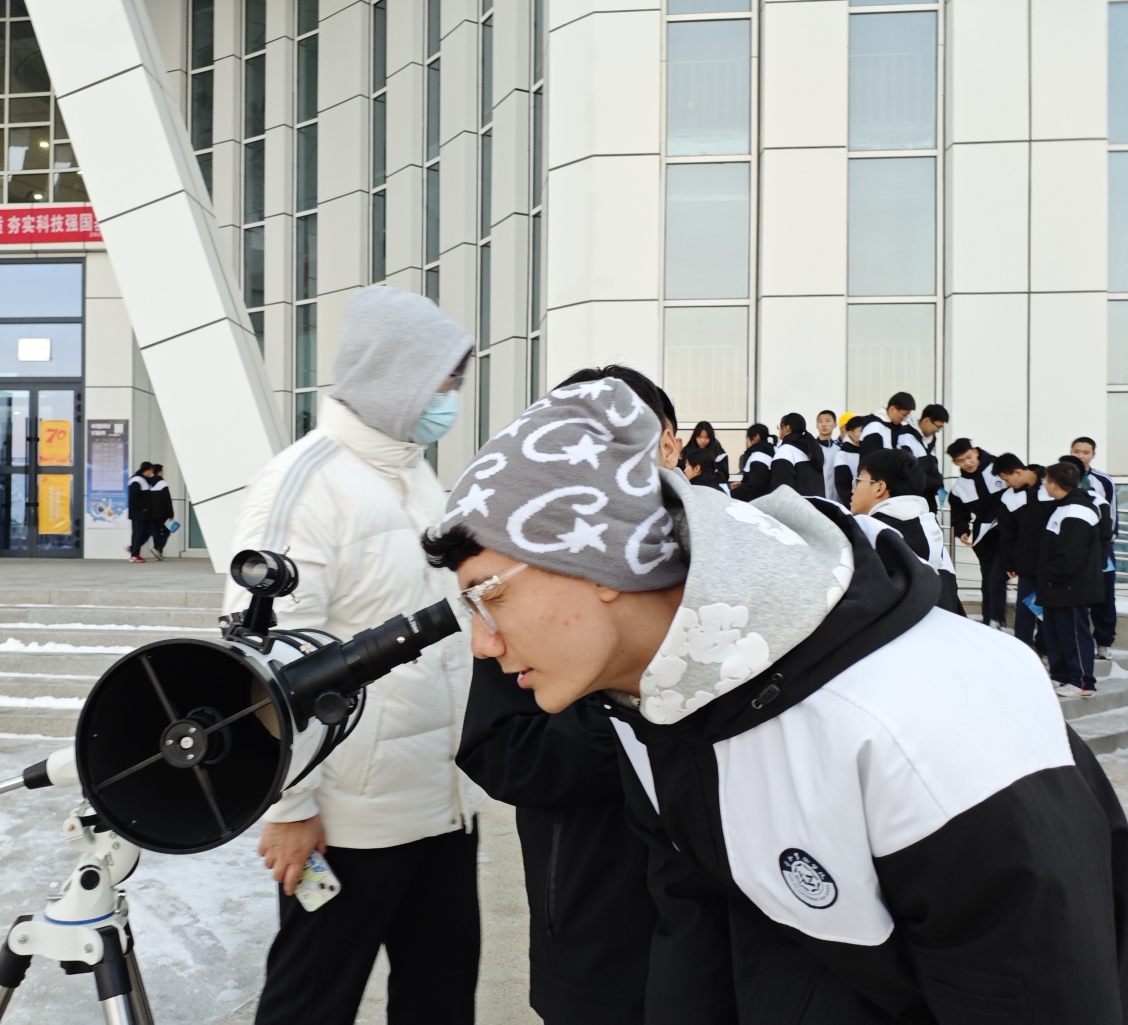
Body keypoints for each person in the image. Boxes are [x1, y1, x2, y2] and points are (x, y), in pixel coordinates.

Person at [423, 378, 1128, 1025]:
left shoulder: (921, 715)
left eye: (489, 595)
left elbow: (1038, 987)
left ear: (599, 558)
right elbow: (699, 941)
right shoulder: (654, 706)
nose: (482, 644)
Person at [227, 285, 483, 1025]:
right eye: (443, 382)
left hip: (439, 805)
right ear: (396, 375)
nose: (449, 399)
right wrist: (290, 809)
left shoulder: (415, 475)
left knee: (441, 1003)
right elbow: (260, 664)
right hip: (345, 824)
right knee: (310, 1006)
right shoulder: (303, 484)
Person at [457, 363, 670, 1025]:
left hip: (715, 944)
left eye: (648, 440)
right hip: (588, 924)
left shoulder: (726, 593)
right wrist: (633, 723)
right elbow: (497, 748)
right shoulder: (524, 606)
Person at [851, 449, 962, 615]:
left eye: (858, 481)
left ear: (879, 488)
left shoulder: (871, 534)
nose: (853, 489)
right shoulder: (930, 531)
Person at [1039, 460, 1108, 697]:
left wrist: (1052, 574)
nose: (1044, 484)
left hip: (1071, 585)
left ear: (1054, 483)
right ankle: (1061, 675)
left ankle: (1082, 682)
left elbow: (1072, 553)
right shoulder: (1062, 507)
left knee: (1074, 634)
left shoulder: (1078, 510)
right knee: (1055, 633)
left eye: (1046, 480)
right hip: (1056, 586)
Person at [993, 453, 1054, 652]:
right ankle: (1022, 649)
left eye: (1007, 479)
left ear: (1018, 472)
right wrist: (1009, 562)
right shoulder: (1009, 497)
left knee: (1050, 608)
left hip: (1054, 562)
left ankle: (1046, 649)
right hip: (1027, 561)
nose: (1007, 484)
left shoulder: (1050, 484)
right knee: (1025, 608)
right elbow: (1007, 533)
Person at [947, 437, 1007, 628]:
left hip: (1010, 534)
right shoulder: (959, 488)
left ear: (975, 452)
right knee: (989, 577)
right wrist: (962, 531)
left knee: (998, 577)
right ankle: (991, 620)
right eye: (960, 461)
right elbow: (959, 515)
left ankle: (996, 618)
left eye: (969, 457)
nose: (967, 463)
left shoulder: (1000, 467)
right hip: (984, 538)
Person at [1070, 436, 1119, 660]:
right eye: (1076, 451)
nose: (1080, 455)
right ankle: (1074, 641)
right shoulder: (1060, 476)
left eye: (1085, 452)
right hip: (1073, 547)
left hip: (1100, 547)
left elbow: (1112, 514)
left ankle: (1104, 641)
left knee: (1104, 595)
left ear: (1093, 454)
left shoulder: (1103, 481)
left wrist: (1105, 544)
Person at [769, 412, 825, 498]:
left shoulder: (785, 451)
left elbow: (781, 491)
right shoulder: (812, 450)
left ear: (787, 428)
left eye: (779, 427)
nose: (779, 431)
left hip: (797, 505)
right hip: (816, 505)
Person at [855, 391, 916, 458]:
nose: (905, 418)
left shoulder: (894, 427)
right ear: (892, 409)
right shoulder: (874, 428)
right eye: (904, 415)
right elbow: (871, 460)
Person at [913, 404, 949, 511]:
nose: (938, 430)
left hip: (929, 499)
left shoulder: (931, 439)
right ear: (927, 420)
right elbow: (909, 472)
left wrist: (939, 482)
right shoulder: (906, 437)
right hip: (913, 499)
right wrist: (934, 483)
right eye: (938, 426)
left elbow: (933, 467)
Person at [732, 423, 774, 502]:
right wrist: (742, 484)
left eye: (748, 437)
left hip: (757, 502)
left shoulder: (759, 456)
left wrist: (731, 494)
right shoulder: (771, 451)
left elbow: (754, 486)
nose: (747, 441)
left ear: (756, 437)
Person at [829, 415, 864, 508]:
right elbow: (842, 485)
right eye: (860, 431)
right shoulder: (842, 454)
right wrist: (852, 505)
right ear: (850, 433)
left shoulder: (868, 450)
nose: (864, 434)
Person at [684, 421, 729, 486]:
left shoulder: (719, 455)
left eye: (707, 438)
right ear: (695, 437)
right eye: (699, 437)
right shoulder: (688, 451)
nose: (703, 441)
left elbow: (724, 476)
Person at [146, 462, 174, 561]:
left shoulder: (148, 483)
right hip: (162, 513)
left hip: (151, 513)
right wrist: (171, 513)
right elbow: (167, 500)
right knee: (167, 531)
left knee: (156, 532)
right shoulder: (162, 483)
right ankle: (158, 548)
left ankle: (158, 553)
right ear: (160, 472)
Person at [126, 461, 153, 564]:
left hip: (143, 513)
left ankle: (133, 548)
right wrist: (142, 507)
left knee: (147, 532)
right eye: (151, 471)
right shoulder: (136, 480)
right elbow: (133, 497)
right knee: (138, 533)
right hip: (138, 513)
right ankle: (134, 554)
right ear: (147, 470)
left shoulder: (144, 480)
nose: (151, 473)